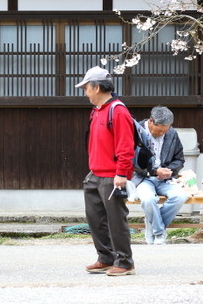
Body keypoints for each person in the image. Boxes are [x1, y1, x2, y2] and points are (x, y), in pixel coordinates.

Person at [77, 66, 135, 277]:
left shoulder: (117, 111)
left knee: (116, 219)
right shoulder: (97, 110)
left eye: (87, 89)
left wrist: (121, 173)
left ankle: (125, 262)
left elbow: (126, 146)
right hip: (95, 173)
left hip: (112, 175)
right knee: (95, 218)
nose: (86, 93)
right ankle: (106, 257)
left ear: (97, 87)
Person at [134, 106, 187, 245]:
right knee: (147, 199)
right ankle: (159, 232)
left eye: (165, 130)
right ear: (150, 121)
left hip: (165, 179)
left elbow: (179, 159)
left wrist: (169, 170)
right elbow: (130, 161)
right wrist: (154, 171)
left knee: (180, 197)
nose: (162, 133)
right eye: (159, 130)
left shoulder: (172, 134)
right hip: (142, 178)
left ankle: (152, 223)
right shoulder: (136, 131)